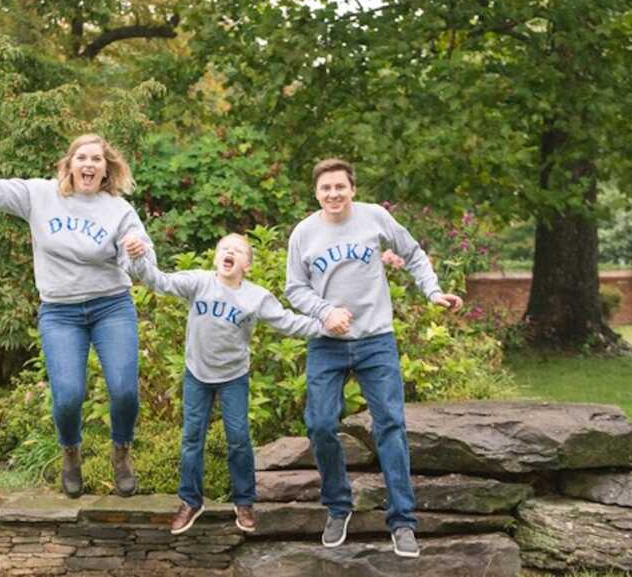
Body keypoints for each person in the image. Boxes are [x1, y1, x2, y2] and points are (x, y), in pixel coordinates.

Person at [0, 107, 155, 498]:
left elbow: (143, 266)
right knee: (67, 396)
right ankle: (71, 452)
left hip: (110, 306)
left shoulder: (119, 211)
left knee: (124, 390)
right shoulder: (39, 195)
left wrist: (135, 251)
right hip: (60, 312)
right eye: (81, 157)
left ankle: (121, 451)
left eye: (96, 159)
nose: (89, 164)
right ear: (69, 164)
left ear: (105, 169)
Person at [285, 158, 463, 557]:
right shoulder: (304, 233)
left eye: (340, 187)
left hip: (376, 340)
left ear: (353, 189)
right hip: (327, 342)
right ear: (316, 193)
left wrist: (432, 291)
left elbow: (414, 253)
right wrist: (324, 312)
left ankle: (402, 522)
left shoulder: (375, 218)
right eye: (325, 188)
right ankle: (338, 506)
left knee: (391, 425)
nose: (333, 194)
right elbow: (295, 288)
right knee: (319, 423)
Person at [123, 232, 345, 535]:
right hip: (196, 374)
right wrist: (139, 257)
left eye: (238, 251)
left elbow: (288, 321)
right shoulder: (199, 282)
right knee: (191, 439)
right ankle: (190, 500)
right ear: (216, 257)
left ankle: (244, 501)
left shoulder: (256, 297)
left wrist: (326, 326)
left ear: (247, 265)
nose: (229, 253)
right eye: (224, 248)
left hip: (233, 378)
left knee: (239, 439)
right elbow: (159, 281)